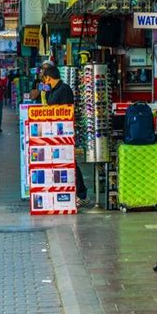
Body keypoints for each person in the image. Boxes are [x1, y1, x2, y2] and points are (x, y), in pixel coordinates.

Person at [42, 65, 89, 208]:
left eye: (44, 79)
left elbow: (64, 109)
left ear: (48, 77)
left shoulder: (65, 89)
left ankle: (81, 194)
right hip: (55, 132)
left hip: (65, 132)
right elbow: (47, 107)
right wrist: (45, 94)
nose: (44, 82)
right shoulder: (53, 90)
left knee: (71, 162)